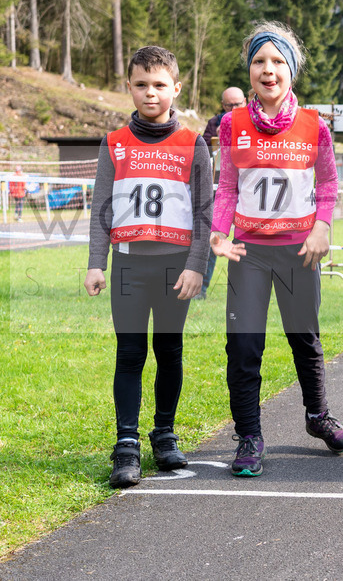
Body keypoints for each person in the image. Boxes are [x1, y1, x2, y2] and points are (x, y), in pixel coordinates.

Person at [210, 21, 343, 478]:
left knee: (304, 339)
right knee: (244, 345)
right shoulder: (233, 124)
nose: (267, 70)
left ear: (291, 70)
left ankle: (317, 417)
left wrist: (322, 227)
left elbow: (330, 181)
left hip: (299, 251)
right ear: (249, 70)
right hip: (249, 251)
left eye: (277, 61)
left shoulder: (315, 125)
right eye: (258, 61)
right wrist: (219, 232)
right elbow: (228, 186)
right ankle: (249, 435)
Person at [84, 46, 213, 488]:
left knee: (169, 352)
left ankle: (164, 433)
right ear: (129, 87)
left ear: (176, 89)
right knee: (130, 353)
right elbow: (102, 207)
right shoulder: (114, 143)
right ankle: (126, 443)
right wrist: (95, 263)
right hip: (127, 267)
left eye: (160, 85)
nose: (150, 93)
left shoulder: (193, 143)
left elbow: (204, 212)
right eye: (141, 84)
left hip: (175, 268)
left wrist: (197, 265)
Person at [197, 87, 246, 299]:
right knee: (212, 236)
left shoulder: (256, 121)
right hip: (221, 190)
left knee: (246, 241)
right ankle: (201, 288)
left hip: (248, 192)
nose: (233, 109)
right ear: (222, 105)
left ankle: (246, 289)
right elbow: (202, 149)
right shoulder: (214, 123)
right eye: (229, 105)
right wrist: (216, 138)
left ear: (245, 102)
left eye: (238, 104)